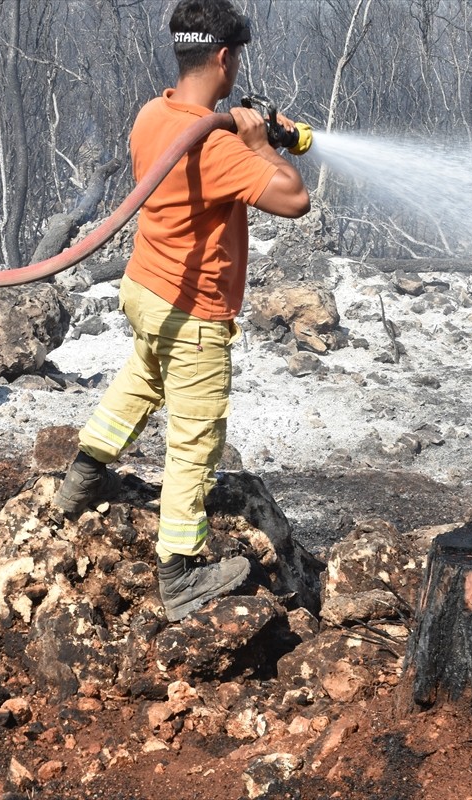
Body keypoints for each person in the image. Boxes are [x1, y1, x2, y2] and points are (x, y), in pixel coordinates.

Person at [56, 0, 310, 622]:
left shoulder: (153, 114)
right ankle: (180, 574)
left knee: (140, 381)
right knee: (195, 439)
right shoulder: (221, 152)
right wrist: (260, 144)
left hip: (147, 290)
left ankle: (83, 479)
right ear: (224, 58)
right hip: (193, 311)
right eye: (238, 58)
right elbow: (295, 199)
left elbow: (198, 149)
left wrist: (241, 129)